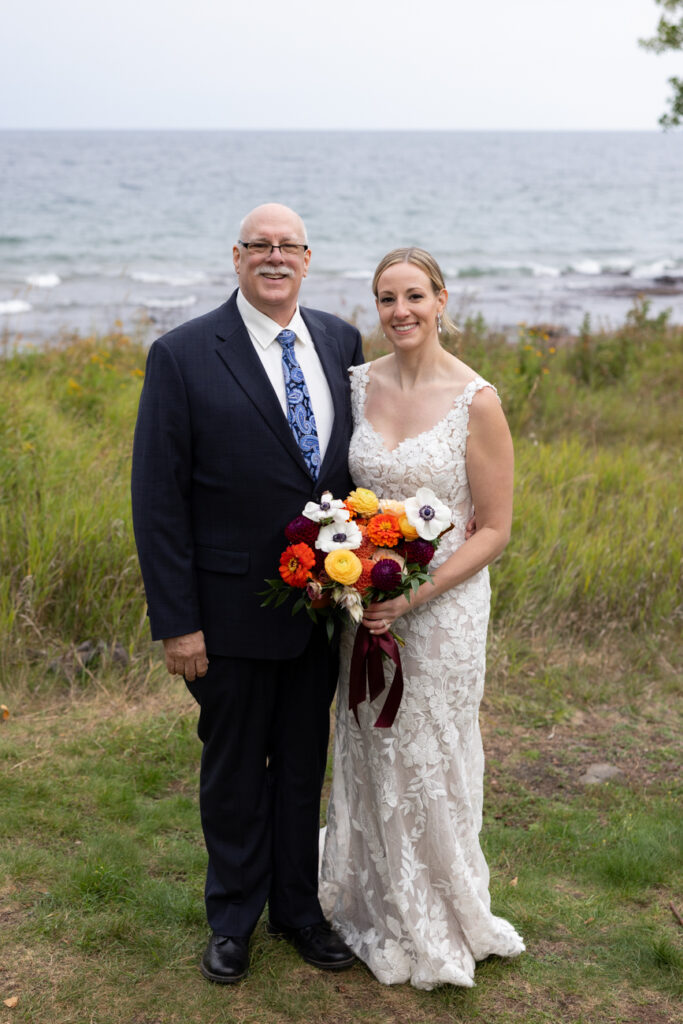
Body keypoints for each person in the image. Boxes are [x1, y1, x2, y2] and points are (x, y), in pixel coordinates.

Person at [131, 203, 363, 983]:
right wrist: (177, 623)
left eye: (287, 245)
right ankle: (231, 920)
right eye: (258, 245)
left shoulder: (340, 341)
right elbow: (157, 499)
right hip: (225, 615)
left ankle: (299, 911)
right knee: (233, 772)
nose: (274, 256)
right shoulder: (182, 354)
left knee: (301, 764)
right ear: (236, 258)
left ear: (307, 257)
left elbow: (343, 473)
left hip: (319, 611)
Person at [319, 247, 525, 990]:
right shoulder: (356, 383)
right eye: (386, 298)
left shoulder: (476, 400)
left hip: (444, 608)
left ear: (441, 300)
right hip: (368, 603)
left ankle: (442, 910)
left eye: (413, 296)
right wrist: (351, 575)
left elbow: (493, 528)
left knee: (430, 748)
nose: (399, 311)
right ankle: (368, 895)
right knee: (370, 742)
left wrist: (416, 594)